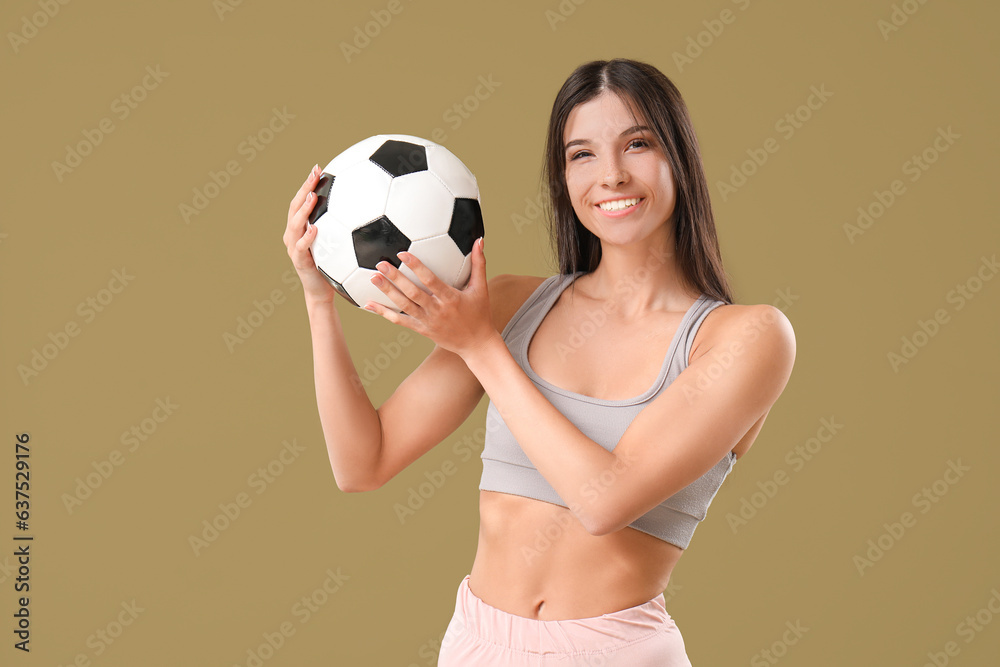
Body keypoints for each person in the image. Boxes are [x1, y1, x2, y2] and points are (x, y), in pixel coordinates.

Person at [283, 58, 795, 666]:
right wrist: (319, 298)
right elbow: (362, 462)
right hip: (476, 645)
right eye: (582, 154)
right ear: (563, 176)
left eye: (638, 144)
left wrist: (479, 346)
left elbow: (604, 501)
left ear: (679, 158)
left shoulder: (746, 337)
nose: (611, 175)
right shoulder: (507, 305)